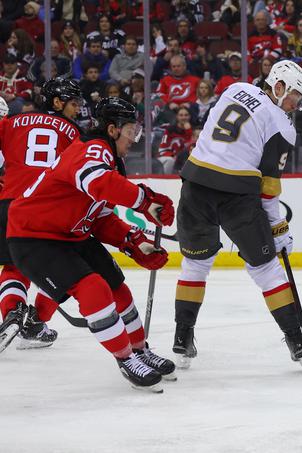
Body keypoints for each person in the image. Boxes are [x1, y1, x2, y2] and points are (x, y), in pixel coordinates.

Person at [6, 97, 176, 392]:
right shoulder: (91, 149)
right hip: (33, 237)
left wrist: (135, 244)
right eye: (130, 131)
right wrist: (145, 201)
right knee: (93, 289)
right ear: (112, 129)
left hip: (71, 234)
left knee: (117, 288)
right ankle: (125, 358)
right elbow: (98, 183)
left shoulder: (110, 159)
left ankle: (139, 349)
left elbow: (100, 216)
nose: (133, 139)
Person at [172, 60, 302, 370]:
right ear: (277, 86)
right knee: (267, 270)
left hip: (195, 182)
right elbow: (268, 186)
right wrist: (277, 228)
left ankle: (182, 338)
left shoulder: (234, 88)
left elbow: (213, 131)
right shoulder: (283, 125)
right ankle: (297, 342)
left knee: (194, 263)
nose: (294, 106)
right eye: (293, 97)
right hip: (236, 193)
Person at [0, 78, 83, 353]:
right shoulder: (75, 133)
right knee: (65, 268)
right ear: (57, 102)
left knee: (13, 266)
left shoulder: (12, 122)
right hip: (49, 207)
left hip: (10, 203)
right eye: (73, 103)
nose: (77, 109)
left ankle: (12, 311)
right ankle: (34, 325)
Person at [158, 106, 193, 174]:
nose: (183, 117)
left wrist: (189, 131)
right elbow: (162, 148)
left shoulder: (193, 130)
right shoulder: (170, 130)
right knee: (170, 161)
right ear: (177, 116)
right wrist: (174, 156)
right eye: (181, 115)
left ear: (189, 117)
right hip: (169, 157)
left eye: (186, 115)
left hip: (185, 158)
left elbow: (190, 146)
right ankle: (166, 180)